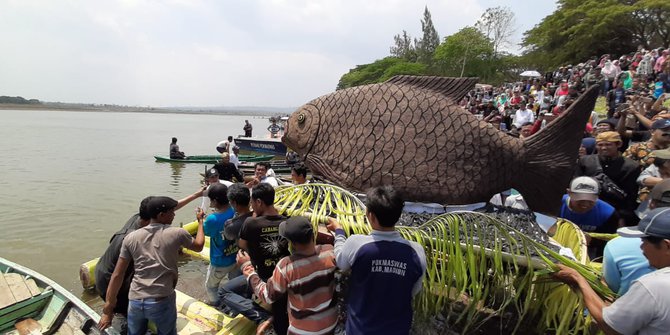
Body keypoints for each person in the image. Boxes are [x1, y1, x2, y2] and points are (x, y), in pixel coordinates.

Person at [94, 189, 203, 332]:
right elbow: (199, 246)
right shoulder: (177, 233)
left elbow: (117, 275)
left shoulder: (132, 236)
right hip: (161, 299)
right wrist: (200, 221)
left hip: (136, 300)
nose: (174, 214)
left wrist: (107, 310)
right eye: (172, 212)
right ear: (161, 215)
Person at [326, 186, 427, 335]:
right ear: (398, 215)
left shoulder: (357, 243)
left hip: (359, 330)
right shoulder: (416, 252)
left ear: (371, 216)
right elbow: (414, 290)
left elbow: (341, 261)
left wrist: (339, 231)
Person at [553, 207, 670, 335]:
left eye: (644, 242)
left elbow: (611, 326)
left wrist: (578, 280)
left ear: (666, 245)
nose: (641, 248)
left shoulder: (654, 286)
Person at [238, 216, 338, 335]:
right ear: (312, 235)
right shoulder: (329, 252)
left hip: (303, 331)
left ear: (292, 243)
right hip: (330, 324)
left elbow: (267, 296)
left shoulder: (287, 266)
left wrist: (247, 268)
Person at [219, 183, 290, 334]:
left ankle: (262, 316)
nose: (251, 206)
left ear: (259, 202)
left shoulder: (251, 223)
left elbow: (242, 246)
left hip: (261, 276)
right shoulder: (286, 221)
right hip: (282, 275)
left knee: (224, 291)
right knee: (281, 318)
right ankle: (272, 318)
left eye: (253, 202)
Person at [602, 180, 670, 295]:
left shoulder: (617, 245)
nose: (642, 247)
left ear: (651, 204)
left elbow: (610, 292)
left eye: (645, 241)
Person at [576, 131, 641, 226]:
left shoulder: (631, 166)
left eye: (608, 144)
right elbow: (577, 184)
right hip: (587, 206)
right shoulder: (585, 161)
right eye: (600, 145)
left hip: (614, 210)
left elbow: (630, 196)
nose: (603, 148)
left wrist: (622, 217)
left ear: (619, 144)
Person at [556, 176, 619, 259]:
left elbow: (608, 241)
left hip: (588, 250)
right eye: (580, 198)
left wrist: (592, 241)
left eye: (591, 199)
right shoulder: (555, 205)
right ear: (569, 193)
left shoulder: (608, 213)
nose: (585, 204)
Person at [203, 183, 237, 305]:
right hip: (235, 255)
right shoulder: (234, 210)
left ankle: (215, 303)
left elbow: (206, 232)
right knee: (234, 280)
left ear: (215, 201)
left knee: (210, 286)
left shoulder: (213, 219)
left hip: (219, 261)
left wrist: (200, 219)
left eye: (210, 200)